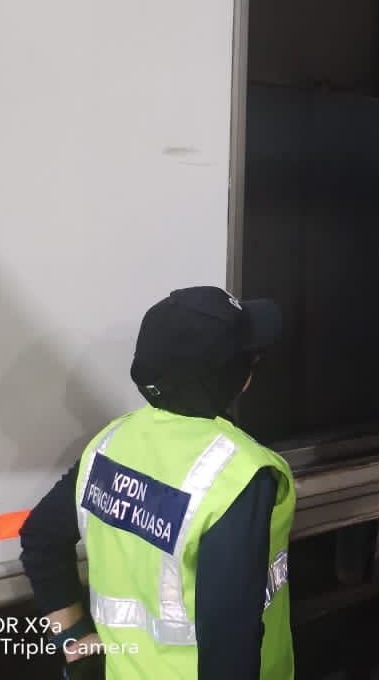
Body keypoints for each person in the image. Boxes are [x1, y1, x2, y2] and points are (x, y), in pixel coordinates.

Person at [19, 286, 296, 680]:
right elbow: (230, 644)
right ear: (237, 378)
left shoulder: (109, 445)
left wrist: (76, 645)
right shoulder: (240, 475)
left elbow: (41, 538)